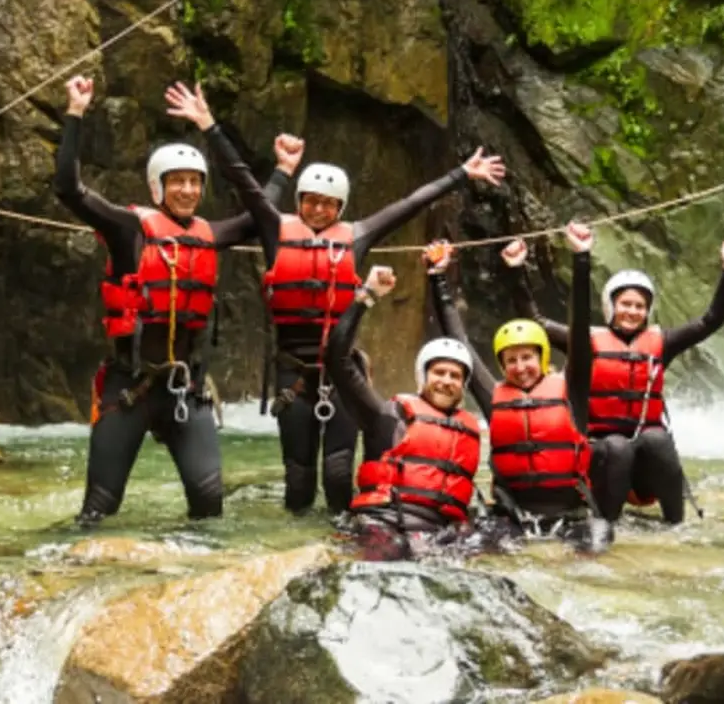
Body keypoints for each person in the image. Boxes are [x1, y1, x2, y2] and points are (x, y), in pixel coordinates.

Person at [163, 82, 506, 517]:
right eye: (312, 202)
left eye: (328, 205)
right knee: (300, 476)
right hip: (293, 373)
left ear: (340, 208)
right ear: (300, 201)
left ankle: (345, 547)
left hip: (343, 372)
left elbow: (409, 204)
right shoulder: (274, 228)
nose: (319, 210)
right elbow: (243, 180)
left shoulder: (358, 236)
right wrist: (209, 125)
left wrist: (461, 174)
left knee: (340, 472)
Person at [53, 75, 290, 526]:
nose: (187, 190)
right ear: (157, 187)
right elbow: (69, 188)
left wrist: (279, 169)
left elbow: (262, 213)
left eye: (194, 182)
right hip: (130, 387)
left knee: (209, 503)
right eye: (176, 181)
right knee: (99, 509)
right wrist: (75, 113)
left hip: (187, 388)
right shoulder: (130, 230)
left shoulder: (209, 234)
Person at [500, 237, 724, 524]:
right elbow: (536, 320)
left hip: (642, 462)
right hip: (599, 456)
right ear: (610, 306)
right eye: (625, 304)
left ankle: (676, 525)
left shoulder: (662, 342)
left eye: (639, 306)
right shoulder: (585, 341)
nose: (632, 311)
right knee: (617, 445)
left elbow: (711, 321)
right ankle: (606, 526)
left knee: (658, 438)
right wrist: (515, 270)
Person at [427, 227, 602, 543]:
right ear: (502, 365)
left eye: (527, 357)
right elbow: (459, 342)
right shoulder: (494, 396)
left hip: (571, 518)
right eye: (511, 360)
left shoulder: (571, 391)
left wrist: (581, 258)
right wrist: (437, 276)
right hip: (515, 519)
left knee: (598, 550)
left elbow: (579, 330)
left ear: (543, 356)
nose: (520, 368)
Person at [327, 263, 481, 558]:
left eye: (455, 376)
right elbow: (337, 358)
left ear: (463, 385)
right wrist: (367, 296)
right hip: (383, 524)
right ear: (423, 376)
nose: (446, 381)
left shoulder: (468, 428)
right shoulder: (386, 416)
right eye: (439, 372)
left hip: (438, 533)